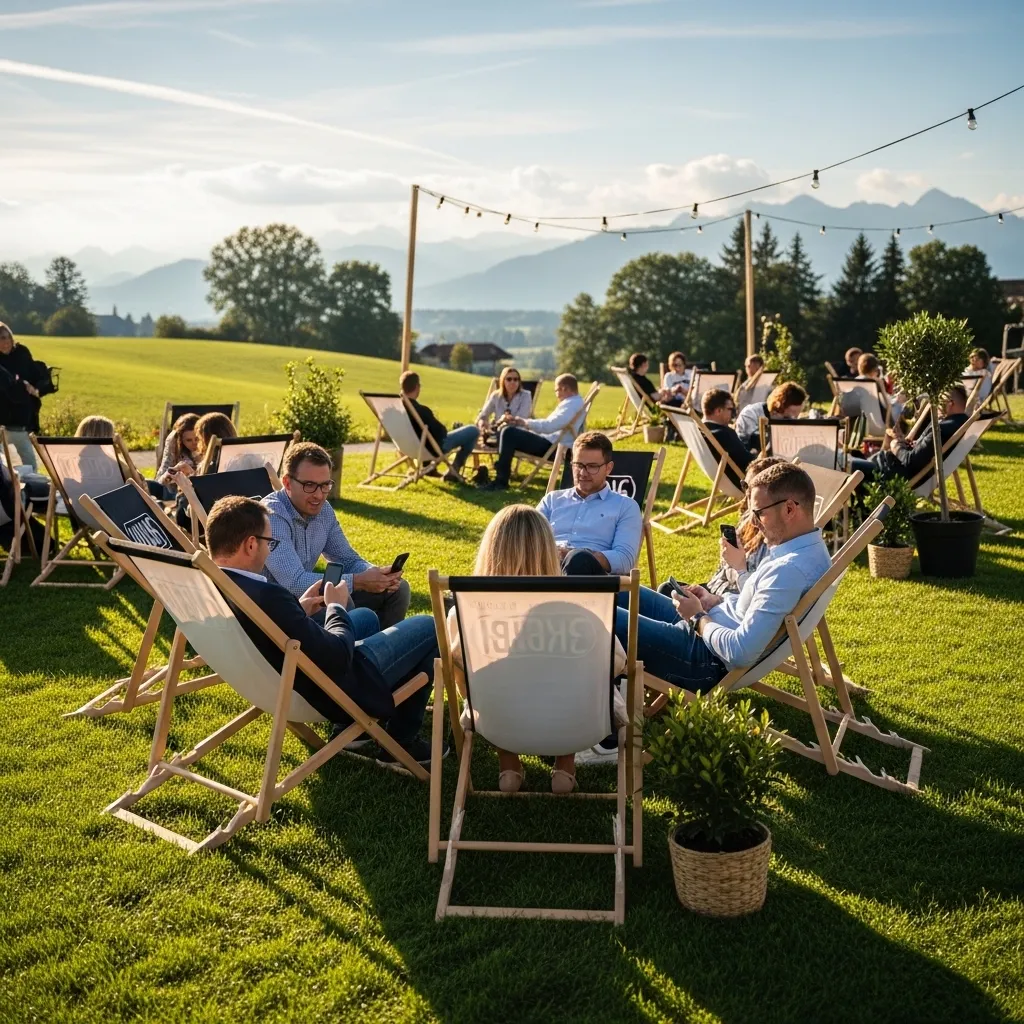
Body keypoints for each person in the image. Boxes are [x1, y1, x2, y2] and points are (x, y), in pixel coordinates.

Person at [206, 496, 439, 766]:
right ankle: (401, 741)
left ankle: (360, 729)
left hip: (272, 678)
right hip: (324, 689)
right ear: (249, 544)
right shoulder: (267, 596)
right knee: (429, 626)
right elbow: (337, 658)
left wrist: (299, 610)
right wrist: (336, 608)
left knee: (364, 616)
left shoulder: (214, 587)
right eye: (269, 543)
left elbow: (269, 630)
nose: (270, 551)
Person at [447, 504, 627, 792]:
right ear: (548, 550)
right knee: (571, 675)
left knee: (494, 678)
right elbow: (616, 662)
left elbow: (459, 672)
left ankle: (508, 764)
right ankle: (564, 767)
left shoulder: (466, 614)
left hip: (499, 718)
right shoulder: (578, 610)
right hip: (574, 719)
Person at [263, 441, 410, 629]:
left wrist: (379, 575)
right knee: (356, 612)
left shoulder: (323, 510)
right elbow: (295, 583)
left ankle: (381, 654)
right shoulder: (272, 517)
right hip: (284, 615)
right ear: (287, 483)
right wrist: (358, 581)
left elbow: (348, 559)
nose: (319, 495)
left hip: (315, 601)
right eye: (309, 485)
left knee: (399, 590)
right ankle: (360, 653)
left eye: (325, 485)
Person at [536, 431, 642, 576]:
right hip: (544, 570)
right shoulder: (552, 500)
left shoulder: (625, 506)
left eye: (592, 466)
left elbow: (624, 560)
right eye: (578, 465)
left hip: (593, 582)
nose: (583, 473)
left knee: (578, 559)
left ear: (608, 468)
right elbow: (527, 539)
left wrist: (574, 555)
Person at [479, 373, 586, 491]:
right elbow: (550, 424)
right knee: (506, 431)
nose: (557, 395)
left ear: (564, 388)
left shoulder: (571, 404)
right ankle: (501, 475)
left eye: (556, 391)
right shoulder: (574, 403)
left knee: (509, 433)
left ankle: (501, 481)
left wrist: (525, 422)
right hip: (551, 443)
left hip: (553, 448)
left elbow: (549, 426)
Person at [849, 385, 969, 484]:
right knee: (850, 459)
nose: (936, 405)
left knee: (848, 465)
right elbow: (922, 455)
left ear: (950, 403)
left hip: (892, 473)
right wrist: (905, 443)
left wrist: (896, 446)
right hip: (892, 466)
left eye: (939, 401)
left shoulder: (942, 429)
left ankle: (857, 510)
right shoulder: (960, 424)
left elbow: (911, 461)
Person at [399, 370, 479, 483]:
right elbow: (441, 432)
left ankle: (430, 470)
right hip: (432, 448)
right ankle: (453, 471)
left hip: (409, 448)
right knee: (473, 430)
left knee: (429, 435)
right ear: (417, 387)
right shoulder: (422, 411)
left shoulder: (397, 410)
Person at [0, 323, 44, 469]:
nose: (4, 342)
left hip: (19, 419)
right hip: (2, 418)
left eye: (7, 337)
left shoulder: (21, 353)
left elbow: (34, 374)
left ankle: (32, 489)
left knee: (29, 462)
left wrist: (33, 387)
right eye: (0, 339)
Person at [701, 388, 754, 489]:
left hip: (720, 480)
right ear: (718, 411)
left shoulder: (701, 431)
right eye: (730, 409)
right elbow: (749, 462)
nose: (733, 413)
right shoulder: (723, 433)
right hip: (743, 482)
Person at [735, 381, 807, 452]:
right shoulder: (751, 413)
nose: (795, 416)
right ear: (783, 403)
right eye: (793, 412)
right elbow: (743, 445)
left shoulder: (790, 418)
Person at [152, 412, 198, 499]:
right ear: (181, 441)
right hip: (176, 497)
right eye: (189, 440)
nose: (194, 443)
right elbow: (159, 483)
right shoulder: (175, 448)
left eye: (197, 439)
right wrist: (172, 472)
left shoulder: (208, 450)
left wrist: (192, 473)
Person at [477, 366, 532, 435]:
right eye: (509, 379)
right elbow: (483, 415)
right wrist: (482, 423)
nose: (512, 382)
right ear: (503, 381)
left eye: (516, 379)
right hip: (498, 432)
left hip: (518, 432)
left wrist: (504, 420)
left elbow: (522, 417)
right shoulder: (496, 396)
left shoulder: (526, 395)